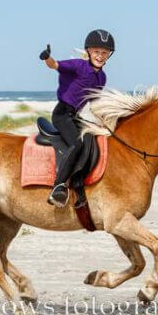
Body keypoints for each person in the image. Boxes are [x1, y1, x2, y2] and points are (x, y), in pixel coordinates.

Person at [39, 29, 115, 207]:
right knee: (77, 144)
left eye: (105, 53)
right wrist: (46, 58)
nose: (100, 56)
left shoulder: (102, 77)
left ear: (109, 55)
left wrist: (106, 123)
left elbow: (94, 103)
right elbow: (55, 65)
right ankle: (58, 186)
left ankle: (79, 185)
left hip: (75, 116)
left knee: (91, 139)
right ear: (89, 51)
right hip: (61, 114)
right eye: (97, 52)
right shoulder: (78, 66)